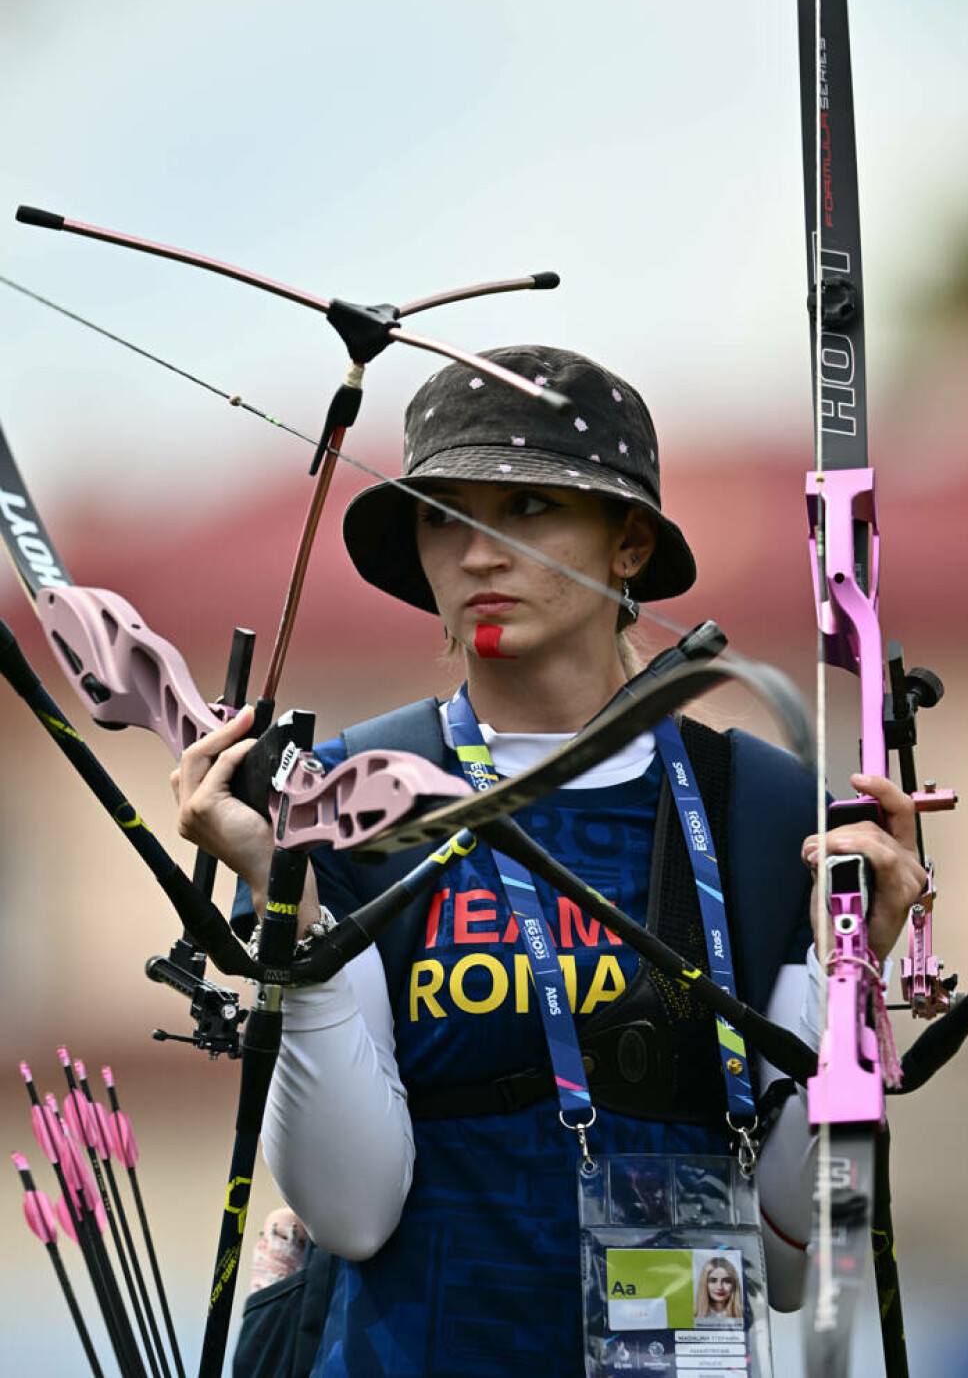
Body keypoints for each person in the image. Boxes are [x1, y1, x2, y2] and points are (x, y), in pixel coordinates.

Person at [174, 346, 926, 1378]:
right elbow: (351, 1213)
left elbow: (805, 1254)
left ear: (627, 545)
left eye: (527, 507)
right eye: (444, 517)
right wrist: (285, 909)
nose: (478, 554)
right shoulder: (344, 795)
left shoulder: (757, 808)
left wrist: (854, 976)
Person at [694, 1256, 744, 1325]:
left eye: (726, 1281)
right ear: (704, 1283)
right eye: (713, 1281)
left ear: (734, 1284)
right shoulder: (692, 1316)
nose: (719, 1287)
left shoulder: (744, 1316)